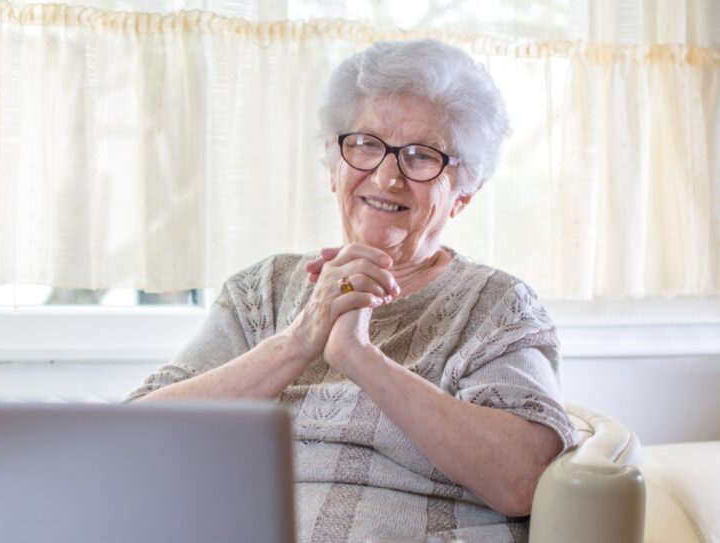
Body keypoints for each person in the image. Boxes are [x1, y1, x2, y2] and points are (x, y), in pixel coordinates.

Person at [126, 39, 578, 543]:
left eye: (421, 156)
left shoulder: (496, 306)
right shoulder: (264, 291)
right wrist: (298, 342)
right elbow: (134, 438)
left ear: (462, 195)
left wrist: (360, 357)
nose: (387, 176)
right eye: (365, 144)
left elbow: (523, 482)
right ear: (333, 165)